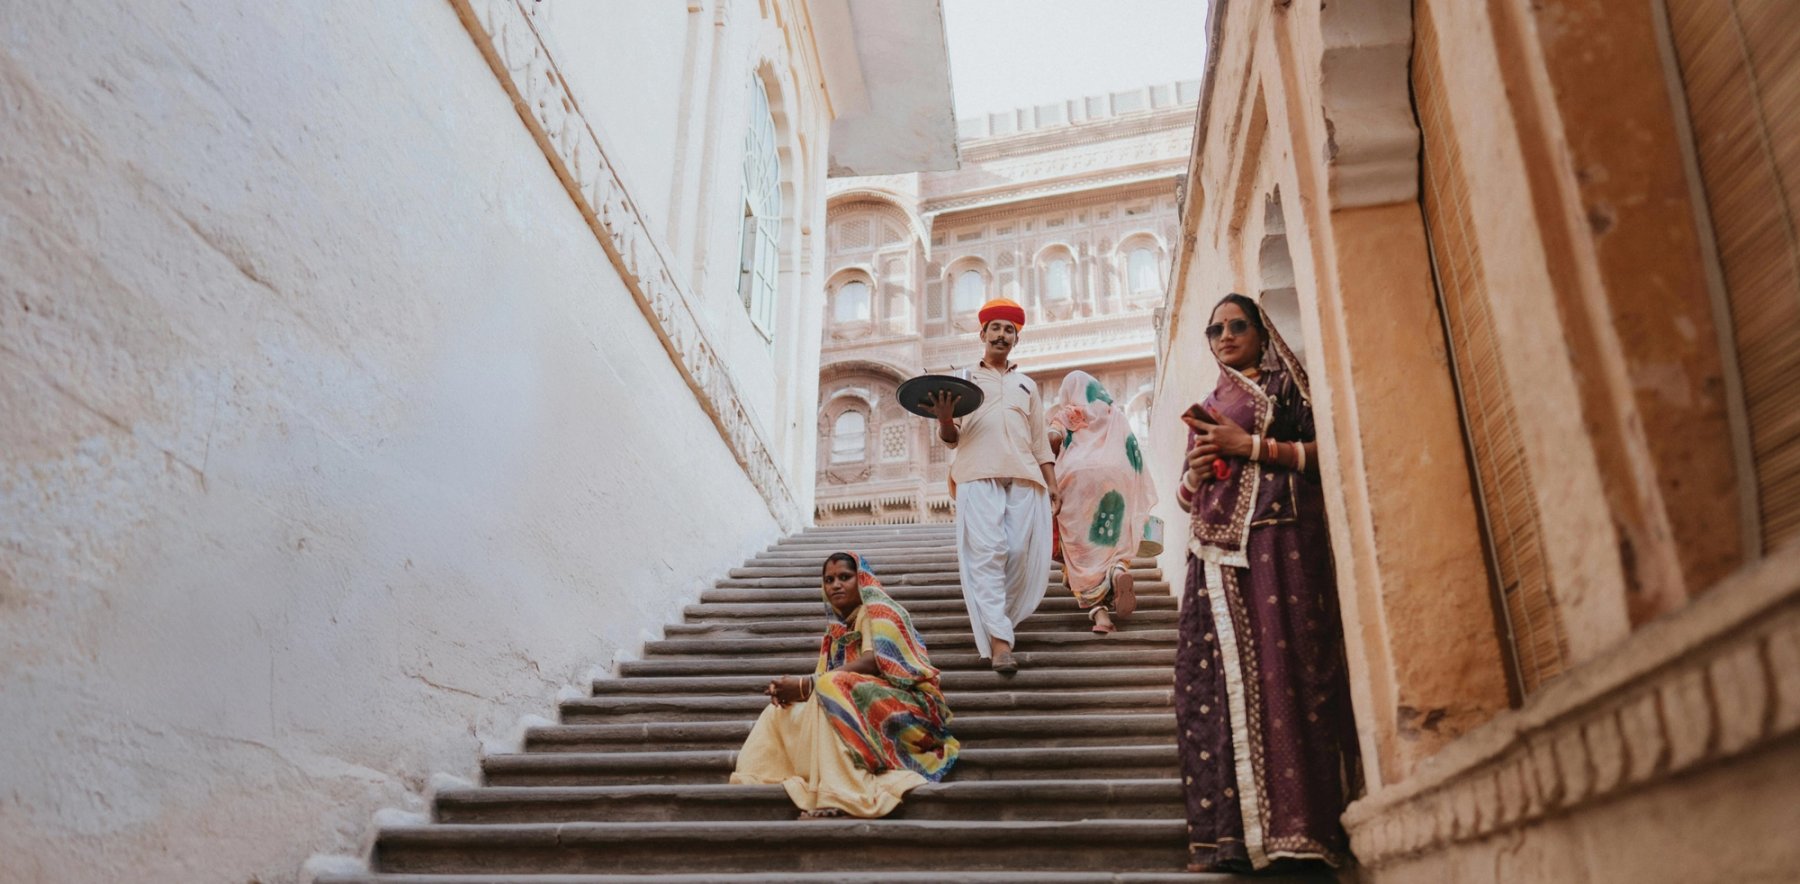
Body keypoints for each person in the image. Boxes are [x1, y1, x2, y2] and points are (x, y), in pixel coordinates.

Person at [1172, 293, 1359, 872]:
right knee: (1209, 687)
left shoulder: (1286, 388)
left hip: (1282, 543)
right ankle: (1231, 839)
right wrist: (1197, 471)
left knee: (1290, 674)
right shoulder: (1207, 405)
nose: (1225, 336)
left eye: (1237, 325)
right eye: (1214, 329)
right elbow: (1186, 497)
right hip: (1215, 556)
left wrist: (1248, 446)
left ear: (1261, 332)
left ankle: (1298, 832)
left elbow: (1330, 453)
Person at [730, 552, 959, 818]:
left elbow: (875, 662)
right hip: (858, 702)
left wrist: (806, 684)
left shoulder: (882, 611)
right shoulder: (835, 634)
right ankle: (762, 777)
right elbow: (822, 690)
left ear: (861, 579)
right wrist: (791, 692)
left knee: (829, 685)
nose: (836, 585)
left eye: (844, 577)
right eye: (829, 580)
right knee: (781, 710)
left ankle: (842, 793)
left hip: (909, 711)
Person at [926, 298, 1059, 674]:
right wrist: (945, 420)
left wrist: (1052, 485)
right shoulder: (963, 379)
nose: (1002, 335)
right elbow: (952, 438)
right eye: (995, 328)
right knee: (988, 554)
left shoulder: (1027, 386)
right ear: (982, 334)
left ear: (1016, 339)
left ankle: (999, 618)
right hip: (976, 474)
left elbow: (1038, 442)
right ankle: (1001, 643)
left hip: (1024, 476)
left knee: (1017, 551)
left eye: (1009, 330)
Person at [1047, 370, 1158, 635]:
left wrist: (1048, 447)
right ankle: (1118, 569)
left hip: (1077, 484)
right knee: (1112, 542)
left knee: (1079, 553)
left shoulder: (1069, 412)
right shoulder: (1113, 413)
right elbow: (1133, 453)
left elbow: (1052, 438)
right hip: (1116, 483)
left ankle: (1101, 617)